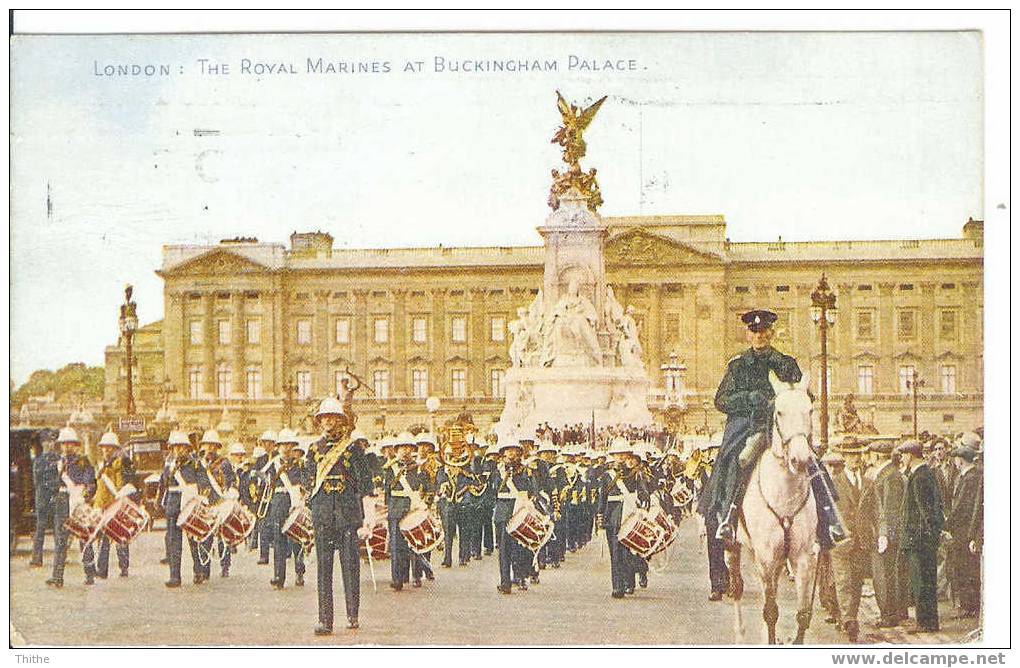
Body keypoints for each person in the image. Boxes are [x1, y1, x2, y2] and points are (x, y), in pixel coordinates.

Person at [699, 309, 845, 547]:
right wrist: (748, 399)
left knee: (811, 462)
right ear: (748, 334)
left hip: (783, 427)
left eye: (764, 331)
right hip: (749, 427)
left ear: (772, 333)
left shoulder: (786, 363)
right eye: (754, 331)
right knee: (737, 461)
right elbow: (721, 401)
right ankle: (728, 518)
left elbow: (805, 395)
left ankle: (831, 519)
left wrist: (791, 400)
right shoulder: (737, 366)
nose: (759, 335)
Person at [307, 397, 371, 634]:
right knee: (324, 570)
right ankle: (325, 620)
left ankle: (352, 613)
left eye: (332, 417)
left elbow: (365, 485)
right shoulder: (313, 450)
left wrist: (368, 518)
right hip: (323, 515)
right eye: (324, 418)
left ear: (341, 421)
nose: (328, 422)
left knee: (350, 567)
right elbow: (308, 482)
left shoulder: (353, 449)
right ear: (319, 421)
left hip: (347, 515)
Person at [829, 439, 875, 642]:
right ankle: (849, 621)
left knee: (856, 582)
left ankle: (849, 616)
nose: (855, 458)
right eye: (851, 454)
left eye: (858, 454)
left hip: (862, 541)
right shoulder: (834, 482)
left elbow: (875, 511)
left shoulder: (868, 482)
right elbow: (826, 511)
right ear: (844, 458)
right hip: (841, 541)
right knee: (843, 581)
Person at [896, 439, 944, 633]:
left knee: (921, 582)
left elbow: (926, 512)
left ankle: (925, 623)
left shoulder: (919, 477)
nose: (902, 459)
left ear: (910, 456)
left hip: (919, 541)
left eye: (904, 456)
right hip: (923, 539)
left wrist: (927, 536)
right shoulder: (927, 474)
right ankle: (929, 622)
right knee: (926, 581)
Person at [596, 438, 650, 599]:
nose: (620, 457)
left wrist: (642, 511)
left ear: (628, 455)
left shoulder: (635, 473)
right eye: (617, 454)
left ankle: (629, 582)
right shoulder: (607, 475)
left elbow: (643, 493)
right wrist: (600, 515)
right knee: (615, 553)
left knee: (629, 551)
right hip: (612, 515)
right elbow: (602, 497)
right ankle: (617, 586)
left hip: (629, 514)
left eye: (623, 454)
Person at [47, 427, 98, 588]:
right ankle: (57, 576)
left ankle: (90, 573)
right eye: (63, 444)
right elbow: (53, 484)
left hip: (77, 502)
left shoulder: (83, 461)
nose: (66, 447)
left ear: (75, 445)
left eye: (69, 444)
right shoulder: (58, 463)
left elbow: (90, 482)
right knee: (61, 540)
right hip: (62, 502)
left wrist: (85, 495)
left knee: (84, 537)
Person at [869, 440, 909, 627]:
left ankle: (889, 615)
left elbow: (890, 509)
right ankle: (896, 612)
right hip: (890, 533)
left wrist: (884, 535)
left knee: (885, 575)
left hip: (888, 534)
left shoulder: (889, 476)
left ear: (877, 456)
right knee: (892, 573)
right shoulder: (890, 473)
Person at [384, 432, 432, 589]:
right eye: (401, 448)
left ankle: (417, 575)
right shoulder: (390, 469)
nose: (405, 451)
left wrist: (425, 505)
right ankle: (398, 578)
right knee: (397, 546)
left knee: (415, 544)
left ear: (412, 450)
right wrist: (388, 508)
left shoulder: (419, 469)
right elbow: (387, 491)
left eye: (408, 447)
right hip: (396, 508)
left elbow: (429, 489)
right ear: (396, 450)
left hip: (413, 508)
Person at [489, 437, 536, 594]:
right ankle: (505, 582)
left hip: (519, 511)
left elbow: (532, 491)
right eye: (508, 451)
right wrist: (505, 477)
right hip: (503, 512)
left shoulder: (526, 471)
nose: (512, 455)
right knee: (503, 550)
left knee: (520, 547)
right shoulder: (497, 472)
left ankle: (520, 577)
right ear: (502, 454)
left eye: (515, 452)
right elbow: (493, 491)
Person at [93, 428, 137, 579]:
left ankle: (124, 567)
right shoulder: (102, 465)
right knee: (103, 537)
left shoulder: (121, 463)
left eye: (108, 447)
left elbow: (126, 484)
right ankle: (102, 569)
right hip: (103, 504)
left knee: (120, 535)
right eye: (104, 447)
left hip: (116, 504)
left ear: (115, 449)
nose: (105, 450)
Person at [945, 444, 982, 618]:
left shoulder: (969, 478)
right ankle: (969, 605)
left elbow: (959, 506)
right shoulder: (973, 476)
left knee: (964, 567)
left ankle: (969, 606)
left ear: (960, 460)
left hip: (963, 531)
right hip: (966, 530)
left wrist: (946, 523)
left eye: (956, 459)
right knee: (966, 567)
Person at [30, 434, 61, 568]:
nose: (50, 444)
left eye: (52, 442)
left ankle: (60, 558)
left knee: (58, 528)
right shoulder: (38, 461)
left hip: (55, 496)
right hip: (43, 497)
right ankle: (37, 558)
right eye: (47, 442)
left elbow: (62, 477)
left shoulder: (59, 459)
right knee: (40, 528)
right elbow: (37, 481)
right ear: (42, 444)